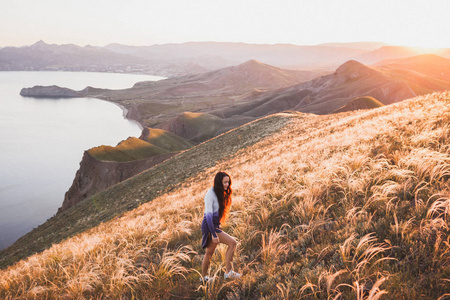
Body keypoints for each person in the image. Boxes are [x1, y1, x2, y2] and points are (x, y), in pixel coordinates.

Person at [201, 171, 241, 282]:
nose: (227, 185)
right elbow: (208, 217)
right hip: (210, 227)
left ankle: (204, 278)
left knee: (209, 253)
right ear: (219, 182)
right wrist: (213, 234)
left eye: (228, 182)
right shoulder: (210, 194)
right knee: (232, 243)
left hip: (214, 226)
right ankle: (229, 272)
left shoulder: (220, 193)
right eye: (225, 182)